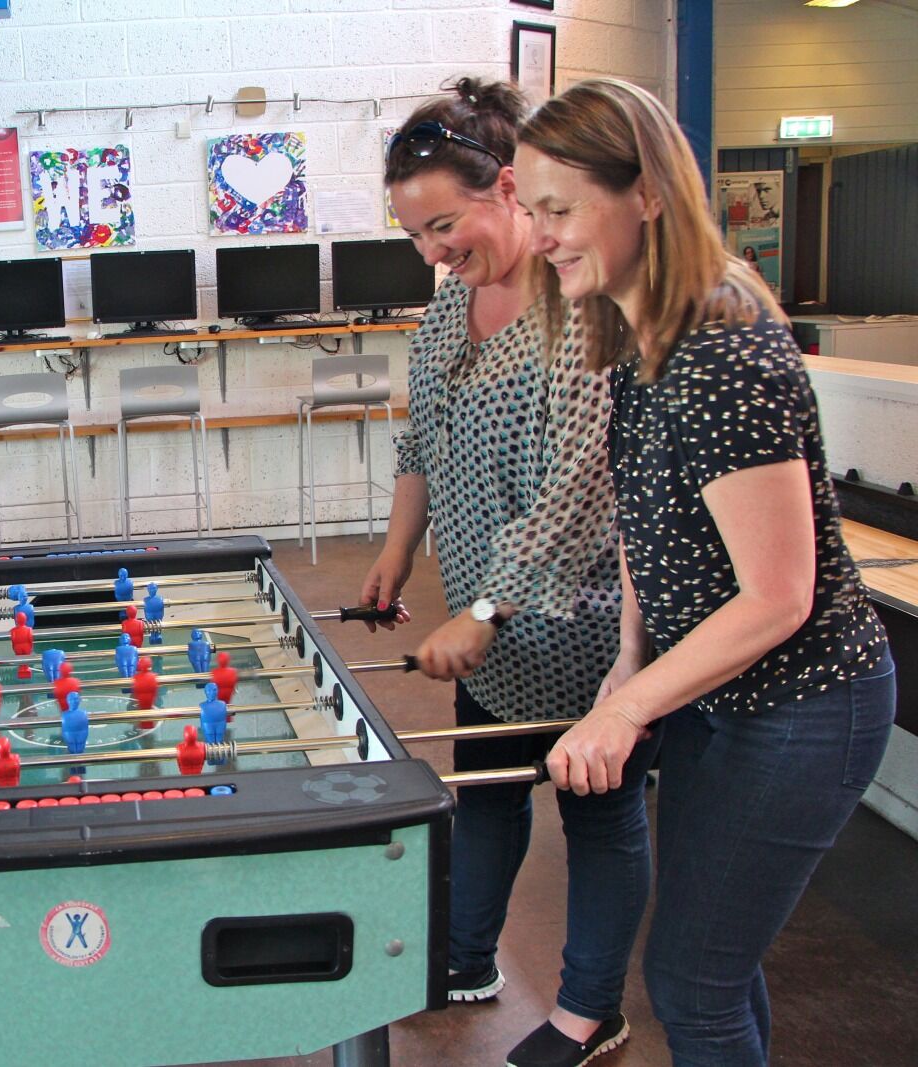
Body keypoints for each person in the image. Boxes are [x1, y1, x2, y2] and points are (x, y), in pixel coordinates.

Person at [514, 78, 896, 1067]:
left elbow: (778, 595)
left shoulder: (721, 348)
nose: (540, 237)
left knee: (692, 979)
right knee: (712, 963)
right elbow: (649, 525)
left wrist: (627, 711)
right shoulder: (637, 332)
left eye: (559, 210)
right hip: (719, 696)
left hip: (803, 699)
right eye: (531, 211)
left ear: (645, 193)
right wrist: (626, 664)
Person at [357, 77, 655, 1067]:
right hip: (485, 621)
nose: (432, 252)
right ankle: (465, 959)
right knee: (484, 788)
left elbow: (579, 493)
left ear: (511, 189)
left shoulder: (582, 311)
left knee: (597, 813)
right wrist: (397, 553)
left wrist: (485, 608)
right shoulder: (451, 304)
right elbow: (422, 439)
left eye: (444, 225)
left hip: (581, 628)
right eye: (416, 234)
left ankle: (590, 1008)